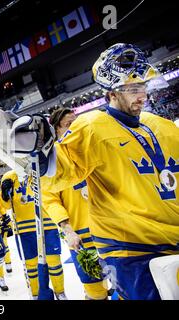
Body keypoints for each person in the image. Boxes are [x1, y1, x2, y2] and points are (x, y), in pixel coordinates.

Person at [10, 43, 179, 300]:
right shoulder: (91, 126)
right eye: (133, 89)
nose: (142, 95)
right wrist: (41, 155)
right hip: (129, 247)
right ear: (112, 93)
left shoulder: (163, 125)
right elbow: (62, 174)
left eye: (143, 86)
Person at [43, 107, 109, 300]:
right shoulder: (52, 161)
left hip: (112, 230)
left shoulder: (94, 149)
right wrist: (67, 229)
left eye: (76, 123)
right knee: (96, 290)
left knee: (126, 284)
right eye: (68, 125)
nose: (75, 129)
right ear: (56, 131)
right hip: (81, 235)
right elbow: (50, 199)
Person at [0, 170, 67, 300]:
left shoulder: (41, 168)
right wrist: (4, 194)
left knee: (54, 261)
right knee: (31, 265)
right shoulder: (8, 177)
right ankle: (35, 295)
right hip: (24, 228)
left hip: (47, 223)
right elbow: (6, 205)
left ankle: (60, 292)